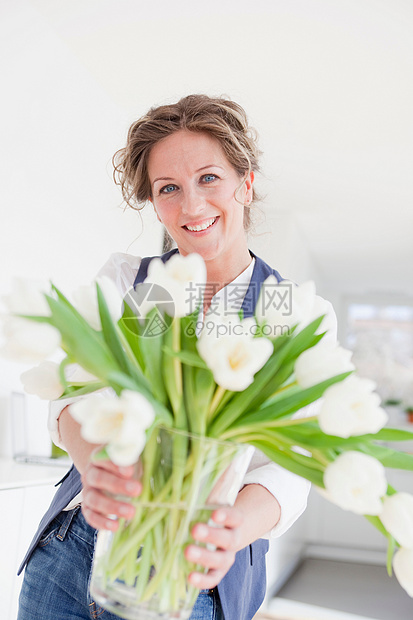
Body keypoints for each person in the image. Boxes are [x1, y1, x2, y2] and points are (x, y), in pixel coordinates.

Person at [18, 94, 332, 620]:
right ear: (155, 203)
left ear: (246, 184)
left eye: (209, 178)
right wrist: (95, 467)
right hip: (72, 555)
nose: (191, 206)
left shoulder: (289, 309)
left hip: (187, 580)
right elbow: (79, 389)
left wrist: (230, 528)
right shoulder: (140, 284)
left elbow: (293, 465)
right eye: (169, 189)